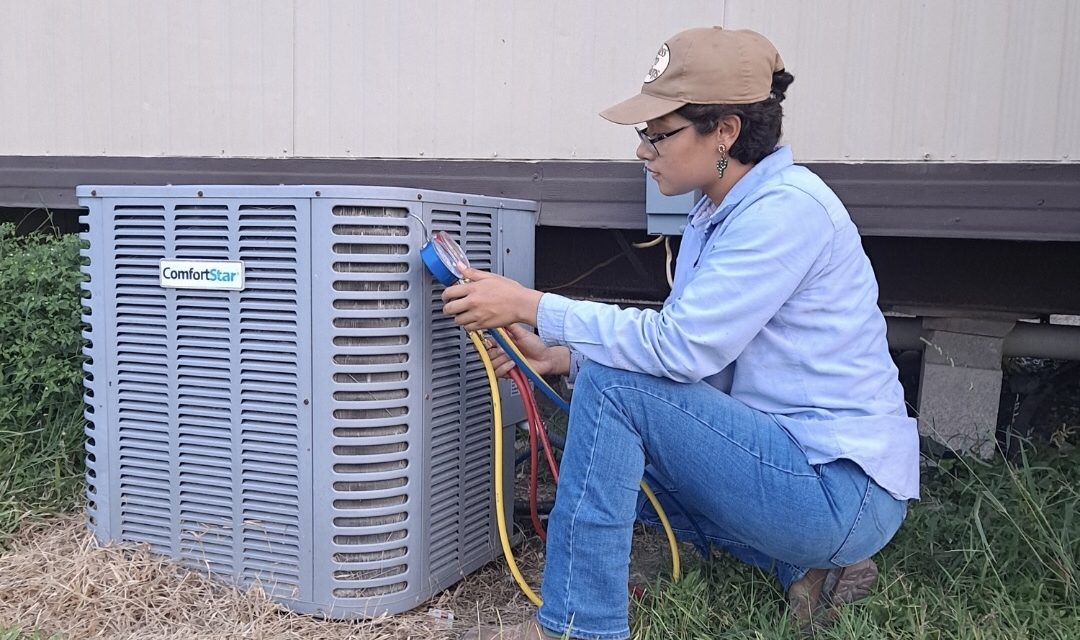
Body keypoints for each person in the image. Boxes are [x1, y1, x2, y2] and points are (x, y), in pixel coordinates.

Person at [444, 26, 919, 640]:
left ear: (725, 131)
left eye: (658, 134)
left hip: (834, 486)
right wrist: (564, 359)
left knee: (613, 403)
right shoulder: (718, 211)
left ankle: (577, 627)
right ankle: (806, 565)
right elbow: (693, 368)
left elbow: (679, 348)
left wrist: (534, 305)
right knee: (612, 476)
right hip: (794, 465)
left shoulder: (786, 212)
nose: (644, 150)